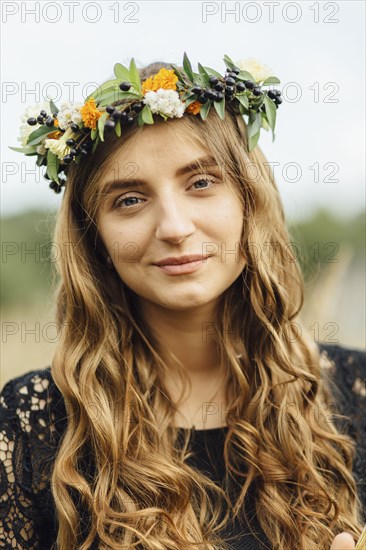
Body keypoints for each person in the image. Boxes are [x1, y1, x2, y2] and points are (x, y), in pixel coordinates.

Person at [1, 54, 365, 549]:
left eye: (201, 183)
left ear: (248, 201)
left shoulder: (354, 395)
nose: (174, 227)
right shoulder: (31, 425)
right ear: (94, 239)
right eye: (129, 199)